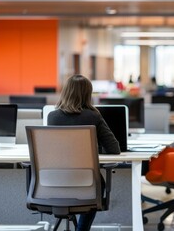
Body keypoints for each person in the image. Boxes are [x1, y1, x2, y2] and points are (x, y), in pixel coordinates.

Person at [48, 74, 120, 231]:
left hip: (54, 182)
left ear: (65, 92)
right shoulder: (93, 116)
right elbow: (114, 149)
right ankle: (82, 229)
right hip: (87, 183)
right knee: (94, 186)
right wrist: (93, 149)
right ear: (88, 94)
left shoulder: (52, 117)